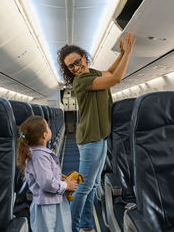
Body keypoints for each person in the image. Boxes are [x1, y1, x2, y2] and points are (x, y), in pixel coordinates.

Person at [57, 33, 136, 232]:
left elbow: (110, 71)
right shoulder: (81, 81)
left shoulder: (91, 72)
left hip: (99, 137)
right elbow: (116, 78)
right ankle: (73, 228)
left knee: (91, 186)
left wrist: (122, 54)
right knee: (83, 187)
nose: (76, 67)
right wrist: (129, 53)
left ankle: (85, 225)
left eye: (77, 61)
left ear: (84, 57)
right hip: (90, 138)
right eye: (70, 66)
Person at [17, 116, 79, 232]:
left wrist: (62, 180)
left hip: (53, 202)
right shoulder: (39, 157)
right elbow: (46, 183)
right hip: (47, 207)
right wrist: (66, 185)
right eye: (48, 127)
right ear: (44, 135)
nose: (50, 129)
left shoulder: (38, 154)